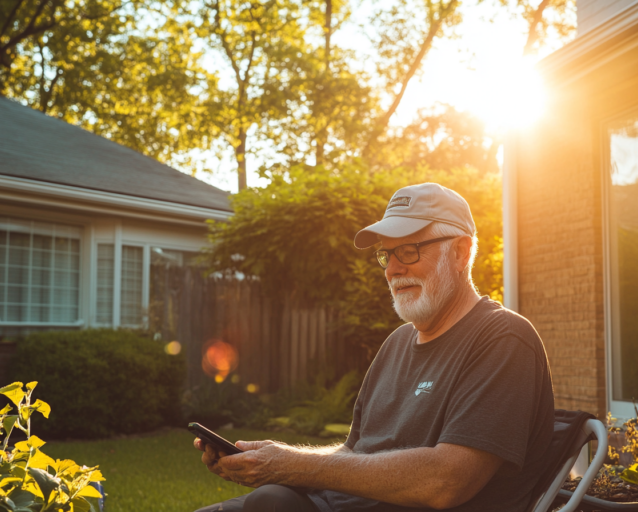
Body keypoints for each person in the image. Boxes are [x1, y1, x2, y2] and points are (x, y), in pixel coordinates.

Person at [194, 183, 554, 512]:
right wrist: (273, 461)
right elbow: (355, 453)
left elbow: (445, 481)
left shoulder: (503, 339)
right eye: (386, 254)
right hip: (327, 503)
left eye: (409, 251)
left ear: (461, 253)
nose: (392, 269)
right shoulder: (397, 343)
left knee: (269, 504)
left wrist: (292, 466)